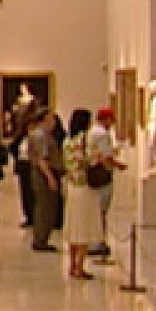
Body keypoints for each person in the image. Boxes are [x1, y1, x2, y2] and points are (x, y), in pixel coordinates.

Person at [61, 108, 103, 280]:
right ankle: (79, 265)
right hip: (85, 186)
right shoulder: (84, 140)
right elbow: (91, 160)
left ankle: (72, 264)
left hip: (72, 186)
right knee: (84, 228)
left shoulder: (67, 141)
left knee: (74, 227)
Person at [88, 107, 125, 257]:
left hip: (95, 174)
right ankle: (97, 241)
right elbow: (105, 157)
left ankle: (95, 240)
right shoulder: (102, 134)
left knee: (97, 209)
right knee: (101, 209)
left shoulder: (92, 132)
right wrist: (119, 165)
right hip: (102, 175)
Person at [29, 109, 63, 252]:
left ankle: (42, 237)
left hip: (46, 172)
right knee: (45, 207)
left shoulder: (44, 135)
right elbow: (42, 159)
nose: (53, 123)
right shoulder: (40, 135)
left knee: (47, 207)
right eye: (50, 120)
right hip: (44, 173)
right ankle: (40, 239)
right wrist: (50, 178)